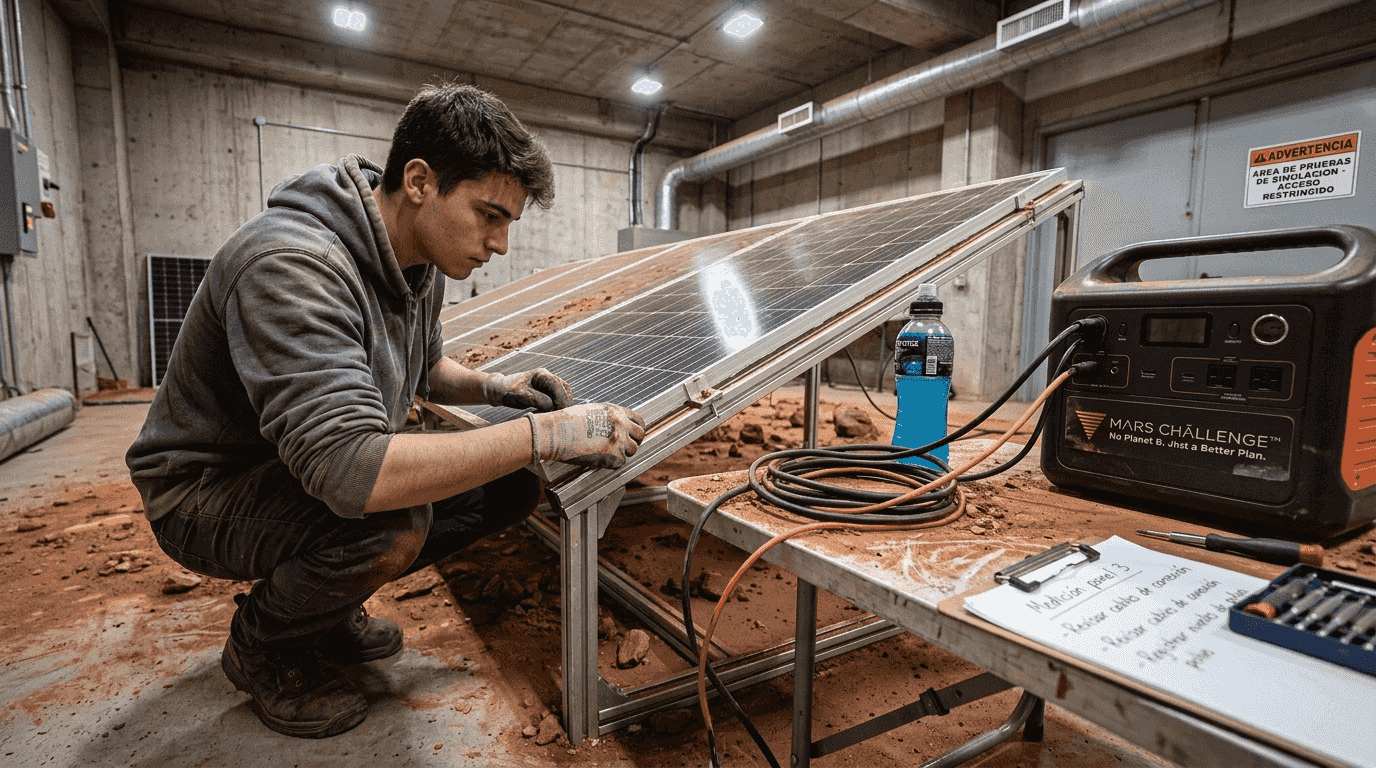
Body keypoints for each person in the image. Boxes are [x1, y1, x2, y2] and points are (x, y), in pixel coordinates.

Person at [125, 83, 645, 739]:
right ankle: (265, 645)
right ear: (421, 181)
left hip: (287, 474)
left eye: (509, 222)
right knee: (391, 518)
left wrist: (499, 388)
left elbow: (424, 367)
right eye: (490, 215)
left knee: (507, 486)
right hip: (204, 491)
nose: (501, 243)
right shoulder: (293, 265)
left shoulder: (415, 261)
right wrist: (549, 432)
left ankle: (322, 603)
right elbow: (349, 472)